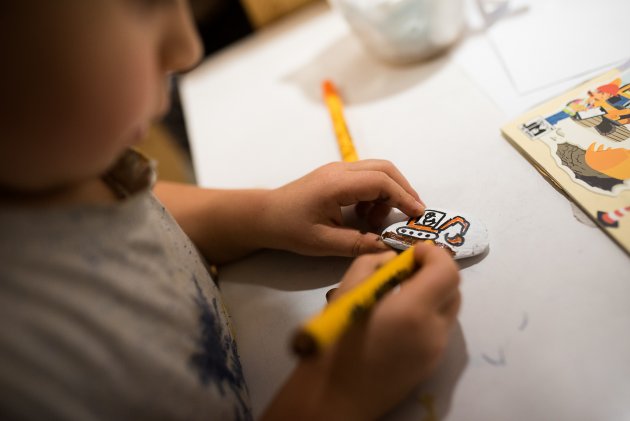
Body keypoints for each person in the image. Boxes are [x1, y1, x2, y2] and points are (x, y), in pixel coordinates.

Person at [0, 1, 461, 420]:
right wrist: (335, 395)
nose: (187, 50)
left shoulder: (66, 168)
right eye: (145, 4)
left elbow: (146, 208)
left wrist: (261, 214)